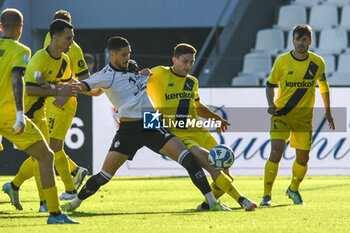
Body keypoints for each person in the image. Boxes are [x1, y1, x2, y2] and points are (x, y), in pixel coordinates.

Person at [61, 36, 230, 212]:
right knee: (104, 176)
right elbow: (87, 87)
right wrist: (64, 90)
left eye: (129, 54)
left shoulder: (132, 66)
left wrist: (142, 74)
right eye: (123, 55)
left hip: (151, 122)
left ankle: (211, 202)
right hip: (129, 129)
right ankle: (75, 203)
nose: (127, 58)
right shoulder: (105, 76)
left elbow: (129, 82)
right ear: (112, 54)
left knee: (188, 159)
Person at [146, 43, 257, 211]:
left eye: (192, 62)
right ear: (174, 60)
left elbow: (197, 107)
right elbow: (135, 82)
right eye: (185, 61)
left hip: (199, 132)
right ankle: (242, 201)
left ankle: (206, 206)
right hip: (179, 135)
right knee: (210, 164)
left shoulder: (192, 82)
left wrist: (216, 117)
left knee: (227, 176)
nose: (189, 66)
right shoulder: (160, 73)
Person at [5, 11, 90, 212]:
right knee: (45, 154)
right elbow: (31, 88)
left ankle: (30, 195)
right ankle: (51, 197)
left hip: (40, 111)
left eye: (73, 38)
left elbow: (65, 84)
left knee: (45, 154)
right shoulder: (39, 57)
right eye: (69, 38)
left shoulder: (65, 60)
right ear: (56, 37)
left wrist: (57, 88)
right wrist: (54, 89)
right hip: (22, 112)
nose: (72, 43)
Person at [260, 24, 335, 206]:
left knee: (303, 158)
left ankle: (293, 189)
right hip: (282, 114)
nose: (300, 43)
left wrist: (328, 111)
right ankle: (266, 196)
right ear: (292, 41)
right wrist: (270, 104)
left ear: (310, 41)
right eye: (297, 39)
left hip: (303, 118)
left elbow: (324, 86)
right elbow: (270, 85)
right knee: (276, 153)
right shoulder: (282, 61)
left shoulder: (317, 63)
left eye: (304, 39)